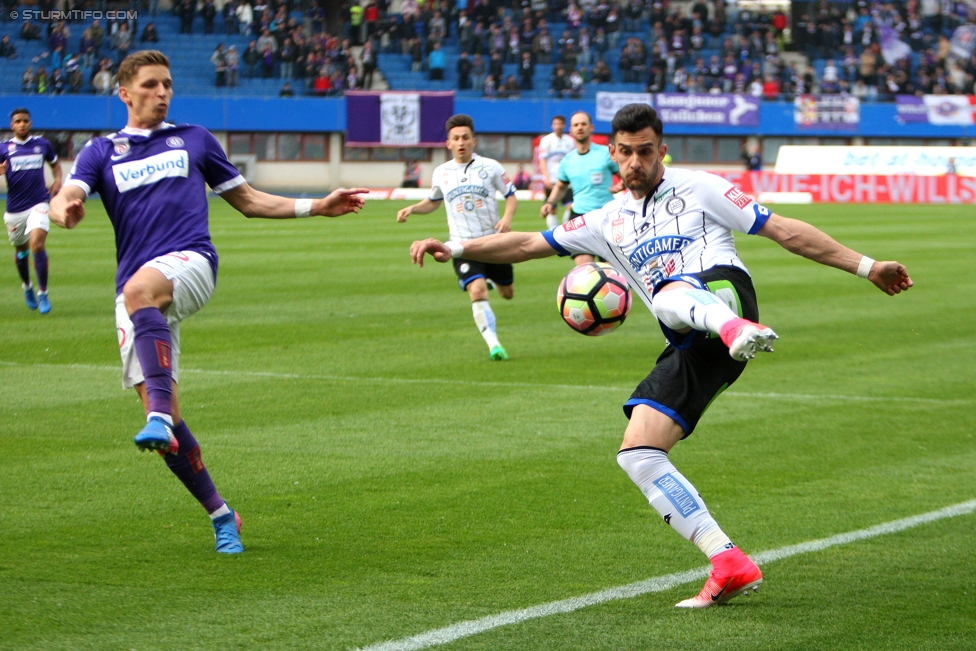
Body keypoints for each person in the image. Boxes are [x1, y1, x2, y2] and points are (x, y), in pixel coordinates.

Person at [408, 103, 913, 608]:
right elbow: (523, 245)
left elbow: (783, 230)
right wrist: (455, 249)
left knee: (669, 287)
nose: (635, 162)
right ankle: (727, 560)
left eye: (645, 151)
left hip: (726, 296)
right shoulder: (605, 220)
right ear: (612, 154)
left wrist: (867, 266)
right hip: (694, 341)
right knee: (639, 454)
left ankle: (734, 325)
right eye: (625, 152)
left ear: (662, 150)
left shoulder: (701, 186)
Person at [48, 51, 368, 554]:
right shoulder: (100, 151)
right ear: (124, 93)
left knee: (139, 299)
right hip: (139, 296)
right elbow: (67, 192)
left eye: (168, 84)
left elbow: (250, 201)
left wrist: (317, 207)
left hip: (191, 263)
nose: (162, 92)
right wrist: (63, 206)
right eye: (151, 85)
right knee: (169, 422)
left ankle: (156, 414)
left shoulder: (195, 138)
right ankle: (222, 515)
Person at [396, 114, 517, 361]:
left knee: (508, 293)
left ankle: (493, 282)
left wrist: (506, 219)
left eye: (465, 137)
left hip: (494, 242)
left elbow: (511, 194)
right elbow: (433, 201)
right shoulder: (442, 172)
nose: (461, 142)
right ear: (448, 143)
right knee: (477, 290)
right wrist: (412, 208)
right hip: (462, 245)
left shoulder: (491, 167)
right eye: (455, 138)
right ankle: (494, 345)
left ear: (474, 140)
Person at [1, 108, 62, 313]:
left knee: (37, 244)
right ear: (12, 125)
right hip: (14, 209)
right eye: (18, 121)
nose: (22, 124)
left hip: (39, 203)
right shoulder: (4, 148)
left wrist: (58, 180)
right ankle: (27, 286)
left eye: (25, 121)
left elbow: (55, 164)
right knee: (21, 251)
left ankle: (43, 293)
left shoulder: (42, 144)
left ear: (30, 123)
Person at [540, 111, 618, 265]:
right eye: (576, 125)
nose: (580, 127)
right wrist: (549, 203)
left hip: (607, 217)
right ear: (571, 131)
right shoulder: (568, 160)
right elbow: (561, 186)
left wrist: (624, 184)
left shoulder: (605, 154)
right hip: (580, 219)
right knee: (585, 273)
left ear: (591, 128)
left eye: (583, 124)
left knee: (612, 276)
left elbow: (626, 176)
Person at [537, 115, 575, 229]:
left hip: (567, 179)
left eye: (560, 124)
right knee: (552, 208)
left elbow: (573, 160)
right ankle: (553, 232)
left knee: (570, 206)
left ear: (564, 125)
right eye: (555, 124)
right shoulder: (546, 140)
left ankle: (564, 228)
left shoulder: (570, 141)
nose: (558, 126)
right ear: (552, 125)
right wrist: (546, 178)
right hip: (552, 179)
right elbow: (542, 160)